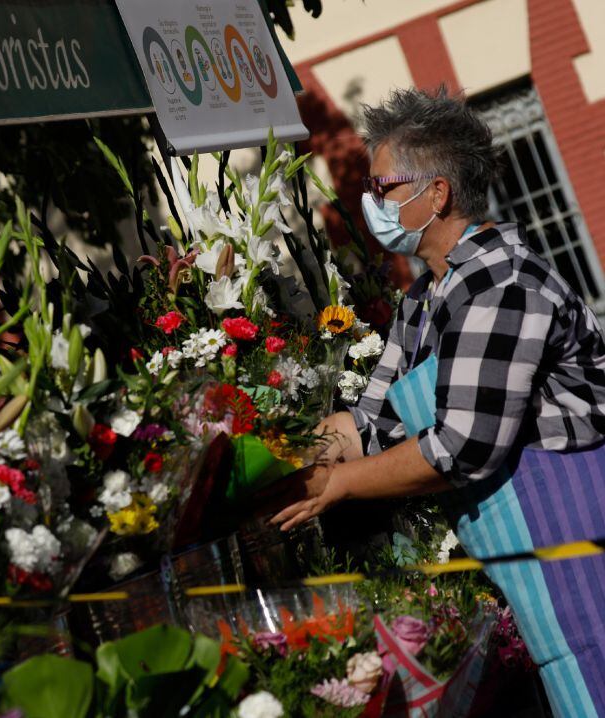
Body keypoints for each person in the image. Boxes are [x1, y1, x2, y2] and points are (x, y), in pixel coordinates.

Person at [263, 87, 605, 715]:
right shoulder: (423, 302)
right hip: (523, 571)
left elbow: (463, 447)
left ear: (437, 193)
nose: (372, 205)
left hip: (583, 560)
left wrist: (335, 485)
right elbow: (370, 421)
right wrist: (267, 458)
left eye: (383, 189)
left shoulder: (505, 284)